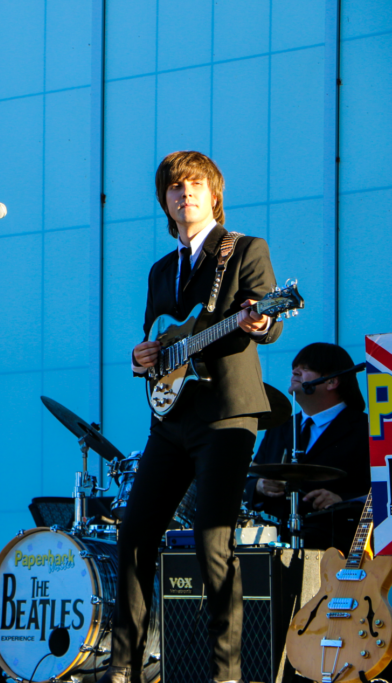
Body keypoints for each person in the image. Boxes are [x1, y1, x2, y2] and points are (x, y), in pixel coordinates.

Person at [101, 151, 283, 683]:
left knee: (212, 540)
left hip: (227, 412)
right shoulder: (161, 270)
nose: (187, 194)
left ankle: (225, 674)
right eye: (176, 188)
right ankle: (123, 668)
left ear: (215, 193)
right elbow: (160, 340)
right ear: (165, 202)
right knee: (133, 534)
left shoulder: (244, 249)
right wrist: (142, 359)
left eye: (196, 184)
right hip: (172, 419)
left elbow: (268, 323)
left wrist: (259, 322)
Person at [244, 342, 369, 553]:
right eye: (295, 367)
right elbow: (248, 478)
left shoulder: (366, 429)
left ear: (332, 382)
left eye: (306, 368)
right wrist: (259, 486)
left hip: (336, 547)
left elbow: (383, 492)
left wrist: (342, 501)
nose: (295, 372)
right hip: (274, 545)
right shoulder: (279, 427)